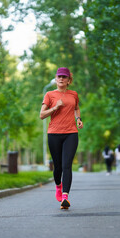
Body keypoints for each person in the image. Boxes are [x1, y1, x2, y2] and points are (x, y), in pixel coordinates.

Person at [40, 67, 83, 210]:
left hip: (71, 133)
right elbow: (42, 115)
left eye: (64, 77)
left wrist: (78, 119)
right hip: (54, 134)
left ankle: (65, 197)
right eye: (59, 76)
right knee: (57, 167)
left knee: (67, 165)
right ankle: (58, 186)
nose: (61, 79)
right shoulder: (49, 95)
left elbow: (76, 108)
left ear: (69, 80)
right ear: (56, 78)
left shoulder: (73, 94)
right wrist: (55, 108)